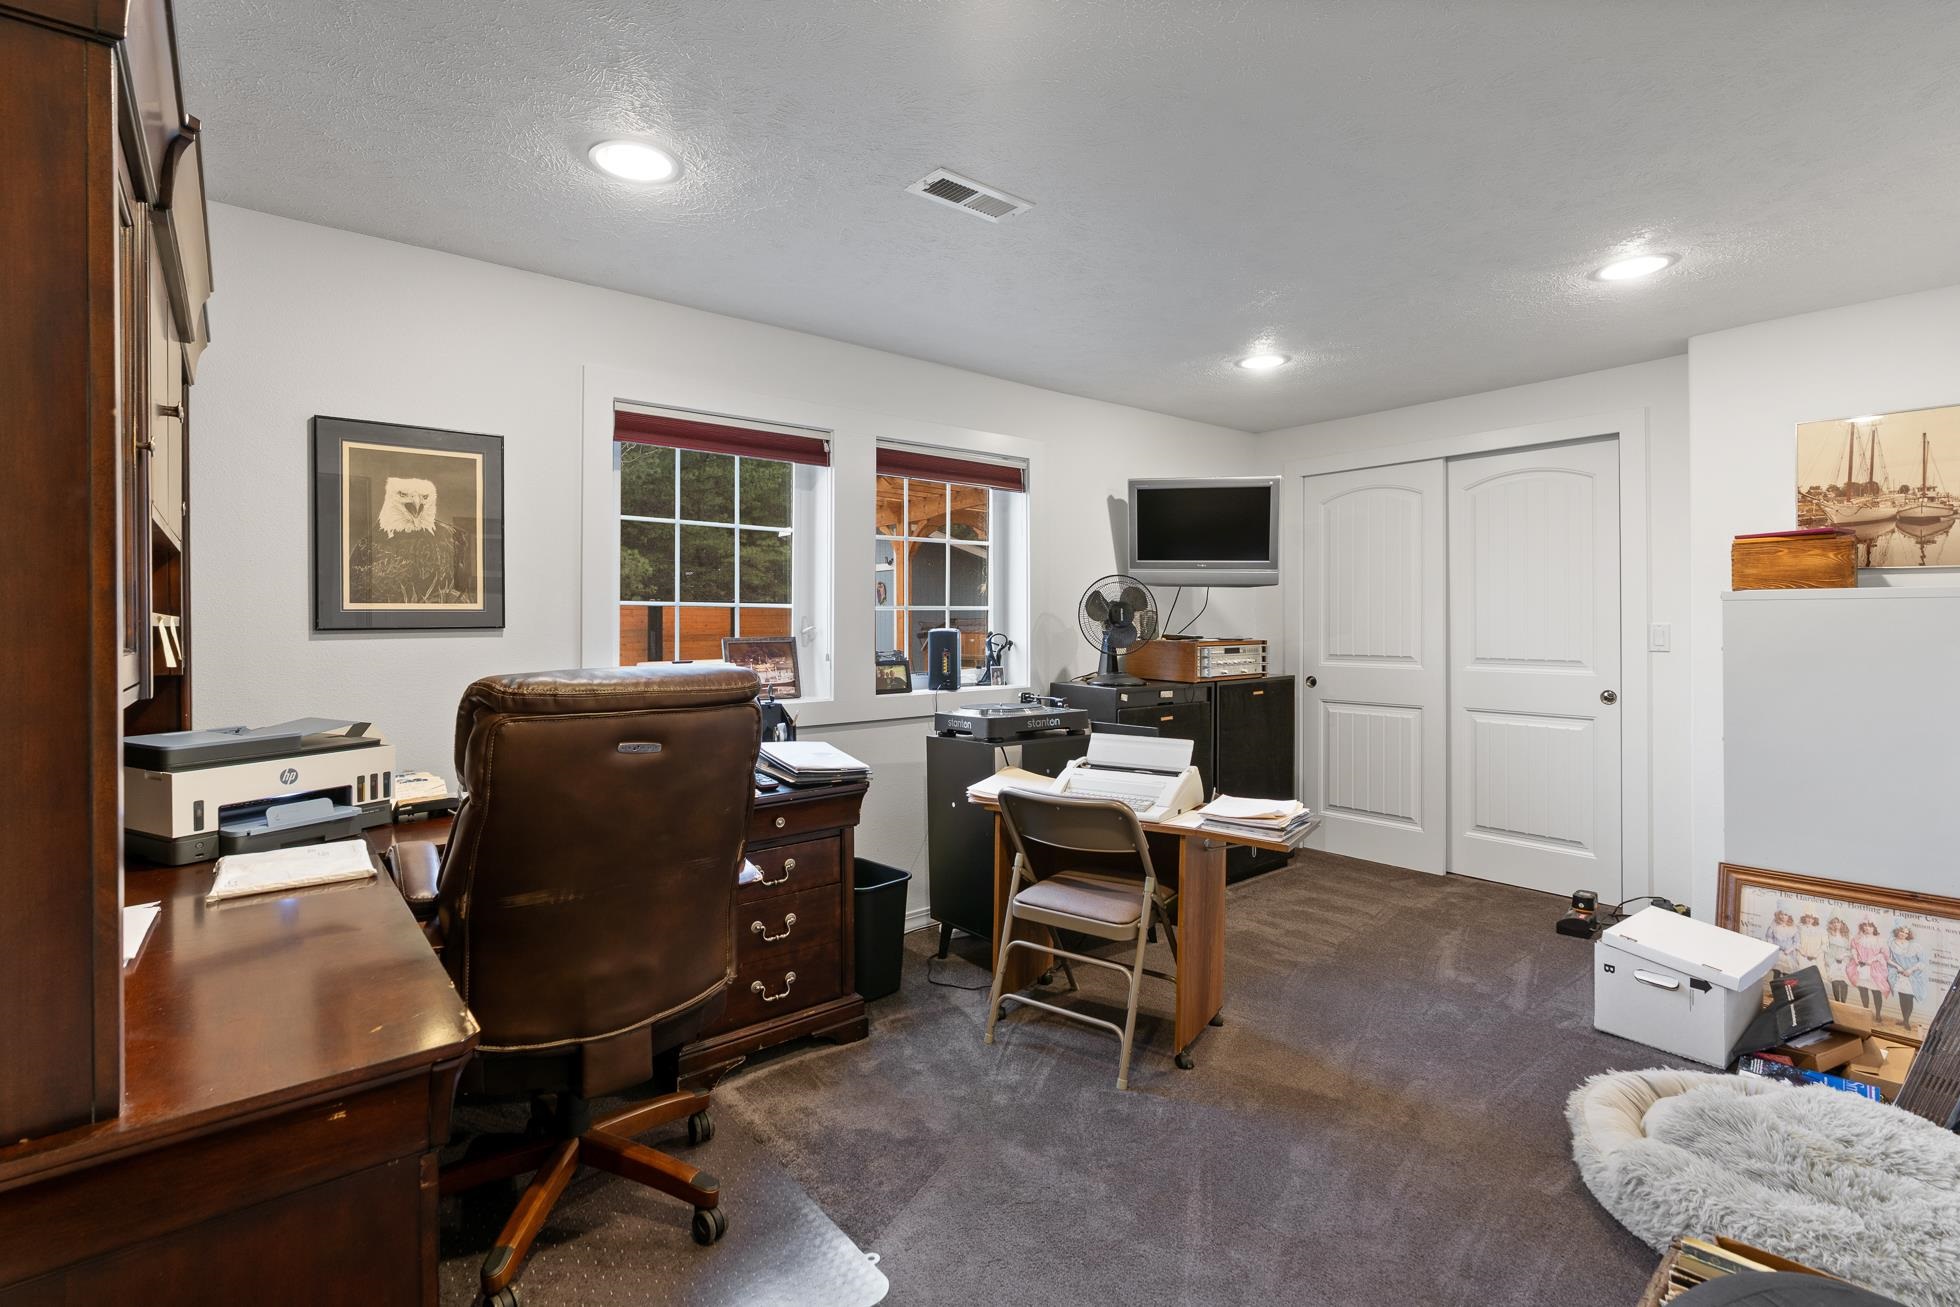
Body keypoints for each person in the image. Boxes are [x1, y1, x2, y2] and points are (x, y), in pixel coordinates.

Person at [1850, 919, 1893, 1022]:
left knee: (1876, 992)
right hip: (1862, 967)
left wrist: (1872, 959)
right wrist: (1856, 959)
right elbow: (1853, 949)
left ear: (1874, 928)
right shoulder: (1858, 939)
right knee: (1863, 991)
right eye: (1865, 925)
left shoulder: (1880, 940)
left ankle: (1878, 1014)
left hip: (1874, 968)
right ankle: (1866, 1012)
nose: (1867, 928)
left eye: (1870, 926)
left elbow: (1884, 955)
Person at [1888, 923, 1927, 1030]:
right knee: (1902, 998)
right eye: (1902, 932)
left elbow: (1922, 962)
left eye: (1906, 933)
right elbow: (1888, 958)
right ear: (1897, 932)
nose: (1904, 934)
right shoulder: (1891, 944)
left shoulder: (1914, 946)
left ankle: (1906, 1021)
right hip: (1900, 975)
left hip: (1911, 976)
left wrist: (1911, 970)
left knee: (1909, 998)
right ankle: (1904, 1019)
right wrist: (1898, 967)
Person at [1823, 916, 1854, 1003]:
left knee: (1843, 982)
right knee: (1835, 982)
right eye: (1834, 922)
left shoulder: (1847, 935)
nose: (1836, 924)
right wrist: (1832, 958)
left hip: (1844, 961)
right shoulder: (1828, 935)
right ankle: (1837, 1001)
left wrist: (1844, 957)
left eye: (1838, 922)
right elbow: (1826, 948)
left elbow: (1851, 950)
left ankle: (1843, 1002)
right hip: (1833, 961)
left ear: (1841, 923)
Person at [1765, 908, 1802, 973]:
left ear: (1789, 916)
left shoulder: (1793, 927)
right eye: (1781, 914)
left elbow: (1797, 942)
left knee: (1787, 971)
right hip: (1777, 952)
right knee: (1776, 971)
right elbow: (1769, 937)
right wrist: (1773, 947)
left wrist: (1789, 950)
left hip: (1788, 953)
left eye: (1785, 915)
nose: (1783, 916)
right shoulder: (1774, 925)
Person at [1796, 909, 1826, 974]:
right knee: (1802, 972)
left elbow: (1824, 945)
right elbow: (1796, 942)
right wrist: (1802, 952)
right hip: (1802, 955)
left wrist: (1816, 954)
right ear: (1804, 917)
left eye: (1812, 918)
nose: (1809, 920)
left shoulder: (1819, 930)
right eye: (1808, 917)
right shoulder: (1800, 928)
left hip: (1814, 956)